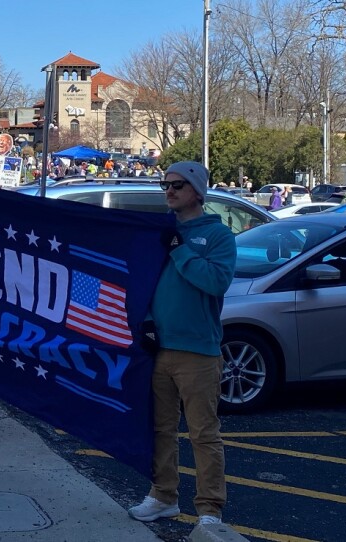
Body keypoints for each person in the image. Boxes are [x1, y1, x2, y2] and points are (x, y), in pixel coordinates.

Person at [130, 161, 235, 526]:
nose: (169, 190)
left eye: (177, 185)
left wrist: (179, 249)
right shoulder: (161, 231)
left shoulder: (219, 237)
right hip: (160, 350)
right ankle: (163, 496)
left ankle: (209, 509)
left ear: (197, 192)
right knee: (161, 430)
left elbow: (214, 282)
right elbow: (141, 284)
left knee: (203, 433)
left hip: (199, 351)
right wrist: (145, 324)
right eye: (165, 184)